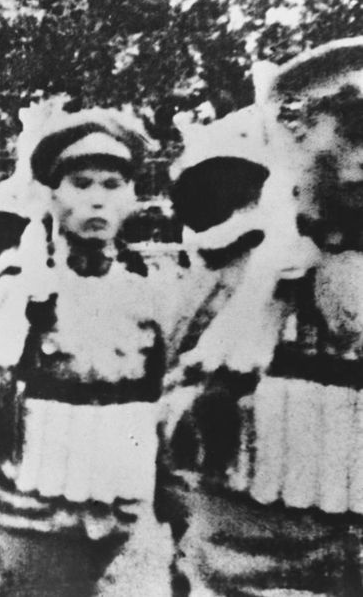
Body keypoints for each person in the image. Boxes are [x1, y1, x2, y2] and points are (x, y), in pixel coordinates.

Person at [158, 38, 363, 596]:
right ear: (299, 134)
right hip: (252, 547)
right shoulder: (241, 263)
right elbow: (164, 401)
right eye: (352, 130)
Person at [0, 108, 164, 596]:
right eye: (80, 183)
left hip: (128, 512)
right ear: (51, 194)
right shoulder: (18, 290)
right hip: (37, 515)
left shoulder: (150, 293)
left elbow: (168, 396)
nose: (97, 199)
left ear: (131, 197)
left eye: (112, 184)